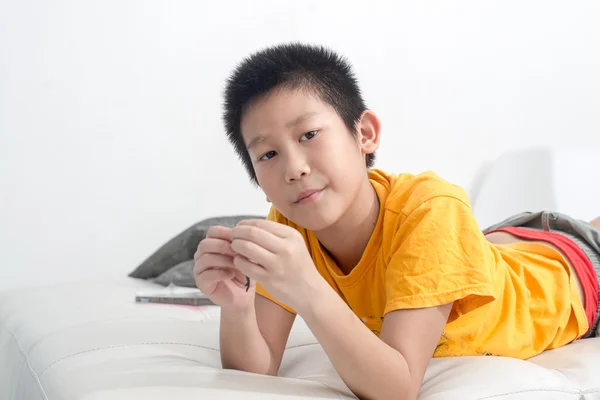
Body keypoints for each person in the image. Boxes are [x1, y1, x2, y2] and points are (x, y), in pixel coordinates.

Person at [194, 43, 600, 400]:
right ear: (258, 180)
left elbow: (396, 389)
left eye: (309, 134)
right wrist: (238, 308)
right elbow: (257, 370)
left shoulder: (431, 206)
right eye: (267, 155)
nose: (294, 168)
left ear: (364, 133)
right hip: (503, 244)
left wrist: (308, 287)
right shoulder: (289, 220)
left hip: (575, 269)